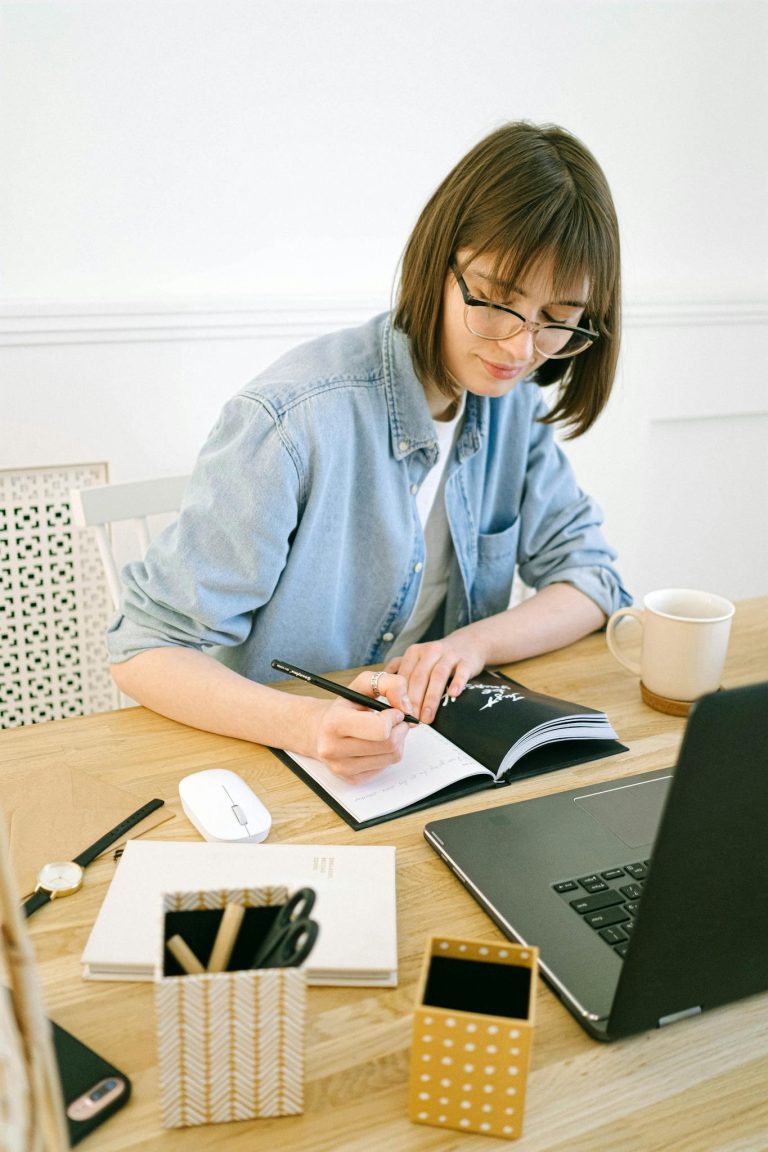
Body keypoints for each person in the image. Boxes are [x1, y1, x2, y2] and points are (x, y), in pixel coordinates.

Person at [108, 120, 630, 779]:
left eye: (557, 319)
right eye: (498, 301)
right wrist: (307, 723)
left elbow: (593, 580)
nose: (521, 349)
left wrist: (467, 646)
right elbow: (144, 648)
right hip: (283, 767)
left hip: (428, 758)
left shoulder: (513, 407)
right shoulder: (294, 421)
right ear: (436, 262)